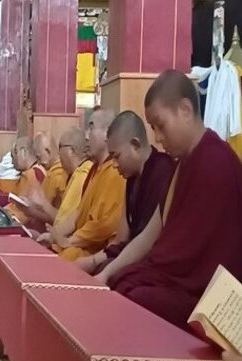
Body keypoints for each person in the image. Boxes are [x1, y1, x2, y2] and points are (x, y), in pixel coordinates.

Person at [97, 70, 242, 333]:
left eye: (160, 126)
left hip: (209, 297)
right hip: (180, 282)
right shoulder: (183, 165)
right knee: (121, 282)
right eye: (153, 128)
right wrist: (107, 273)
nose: (158, 138)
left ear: (185, 110)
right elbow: (152, 233)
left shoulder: (216, 163)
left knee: (138, 297)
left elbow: (198, 262)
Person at [74, 111, 175, 273]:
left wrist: (96, 264)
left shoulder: (163, 171)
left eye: (116, 156)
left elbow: (150, 242)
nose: (114, 164)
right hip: (130, 255)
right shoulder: (132, 178)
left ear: (135, 145)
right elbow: (122, 238)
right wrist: (93, 261)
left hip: (154, 262)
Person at [45, 109, 126, 261]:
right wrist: (54, 235)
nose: (86, 136)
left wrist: (70, 241)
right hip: (80, 245)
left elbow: (105, 225)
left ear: (107, 132)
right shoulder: (94, 170)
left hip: (97, 253)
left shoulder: (116, 172)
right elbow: (79, 213)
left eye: (91, 127)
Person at [4, 136, 46, 224]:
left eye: (14, 155)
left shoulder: (33, 174)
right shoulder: (30, 172)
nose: (12, 162)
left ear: (23, 152)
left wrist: (7, 218)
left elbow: (28, 211)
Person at [36, 132, 68, 209]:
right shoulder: (67, 170)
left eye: (39, 158)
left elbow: (42, 209)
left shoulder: (55, 175)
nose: (39, 163)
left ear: (48, 151)